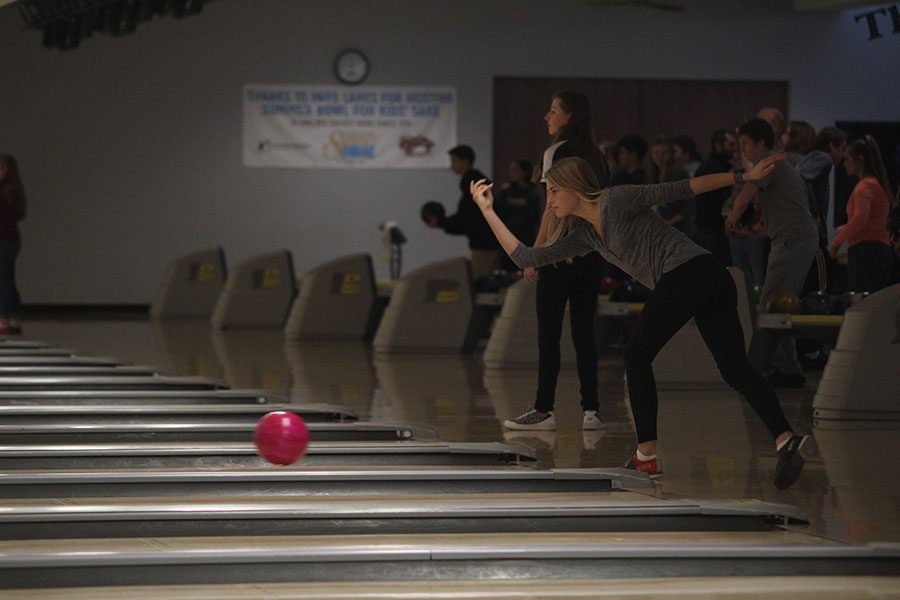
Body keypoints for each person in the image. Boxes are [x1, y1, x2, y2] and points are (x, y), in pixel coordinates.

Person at [470, 155, 807, 490]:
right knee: (735, 369)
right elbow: (527, 257)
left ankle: (646, 456)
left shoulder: (616, 200)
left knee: (636, 355)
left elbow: (682, 188)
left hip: (692, 272)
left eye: (555, 191)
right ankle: (786, 440)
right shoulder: (588, 236)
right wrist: (487, 211)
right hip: (708, 278)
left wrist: (742, 176)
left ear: (575, 187)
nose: (551, 200)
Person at [503, 91, 608, 432]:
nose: (547, 117)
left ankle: (544, 409)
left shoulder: (556, 153)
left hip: (559, 252)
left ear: (570, 116)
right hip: (591, 253)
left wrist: (533, 253)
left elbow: (551, 207)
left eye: (553, 111)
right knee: (583, 332)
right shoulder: (597, 155)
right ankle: (592, 411)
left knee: (549, 332)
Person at [727, 118, 819, 388]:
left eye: (745, 145)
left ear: (761, 143)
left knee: (770, 305)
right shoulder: (779, 162)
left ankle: (759, 369)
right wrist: (758, 231)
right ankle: (787, 368)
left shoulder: (767, 161)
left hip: (793, 240)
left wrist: (734, 213)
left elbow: (748, 189)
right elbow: (784, 203)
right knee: (779, 305)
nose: (744, 151)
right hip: (792, 238)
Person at [423, 145, 501, 279]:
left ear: (465, 161)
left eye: (454, 161)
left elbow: (468, 218)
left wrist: (442, 223)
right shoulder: (475, 182)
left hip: (484, 246)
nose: (451, 165)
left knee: (478, 285)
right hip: (490, 243)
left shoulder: (473, 184)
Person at [830, 136, 894, 293]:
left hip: (866, 252)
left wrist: (836, 242)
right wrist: (846, 227)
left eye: (848, 159)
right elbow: (871, 220)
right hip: (878, 250)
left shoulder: (864, 187)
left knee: (861, 302)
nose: (844, 164)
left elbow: (860, 218)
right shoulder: (876, 184)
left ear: (860, 160)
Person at [693, 128, 737, 265]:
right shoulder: (714, 169)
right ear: (718, 146)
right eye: (730, 145)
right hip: (713, 230)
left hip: (710, 228)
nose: (734, 149)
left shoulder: (716, 167)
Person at [494, 159, 541, 271]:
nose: (511, 173)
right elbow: (498, 212)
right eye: (510, 170)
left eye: (515, 170)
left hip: (524, 241)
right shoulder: (506, 192)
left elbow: (532, 219)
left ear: (524, 172)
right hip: (506, 240)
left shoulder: (532, 194)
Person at [0, 155, 25, 335]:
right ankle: (14, 318)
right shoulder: (10, 191)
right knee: (7, 280)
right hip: (9, 240)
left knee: (4, 281)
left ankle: (3, 319)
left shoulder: (9, 191)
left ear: (5, 170)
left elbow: (7, 218)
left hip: (6, 240)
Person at [650, 136, 694, 238]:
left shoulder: (678, 174)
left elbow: (689, 206)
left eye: (664, 153)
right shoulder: (656, 175)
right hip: (663, 229)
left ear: (671, 154)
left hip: (679, 230)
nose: (660, 157)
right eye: (656, 153)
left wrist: (669, 223)